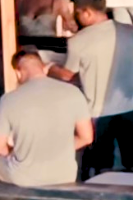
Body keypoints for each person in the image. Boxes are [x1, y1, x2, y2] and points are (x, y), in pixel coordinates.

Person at [48, 0, 133, 177]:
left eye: (77, 14)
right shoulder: (128, 31)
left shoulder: (78, 41)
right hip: (131, 107)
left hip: (97, 113)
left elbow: (68, 75)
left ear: (87, 12)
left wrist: (49, 67)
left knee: (102, 169)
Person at [0, 49, 93, 187]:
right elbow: (86, 137)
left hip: (23, 178)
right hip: (64, 175)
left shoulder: (8, 99)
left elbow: (1, 148)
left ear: (18, 73)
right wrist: (58, 149)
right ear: (44, 69)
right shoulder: (74, 93)